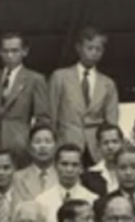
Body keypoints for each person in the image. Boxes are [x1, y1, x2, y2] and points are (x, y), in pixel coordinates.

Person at [48, 27, 117, 163]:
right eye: (89, 48)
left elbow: (111, 121)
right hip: (66, 145)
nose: (94, 53)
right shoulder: (60, 77)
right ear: (79, 48)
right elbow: (51, 115)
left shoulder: (108, 83)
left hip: (96, 149)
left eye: (99, 49)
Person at [0, 32, 51, 153]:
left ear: (24, 52)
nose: (10, 55)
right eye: (5, 51)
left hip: (21, 144)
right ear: (0, 52)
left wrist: (32, 143)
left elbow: (42, 118)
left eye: (14, 51)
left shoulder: (35, 79)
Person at [12, 125, 59, 201]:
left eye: (48, 141)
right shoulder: (18, 178)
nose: (43, 146)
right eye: (37, 142)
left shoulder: (62, 175)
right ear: (29, 147)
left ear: (56, 146)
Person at [81, 124, 126, 194]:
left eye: (115, 142)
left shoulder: (133, 172)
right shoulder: (89, 176)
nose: (110, 147)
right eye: (105, 143)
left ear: (123, 144)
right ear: (98, 146)